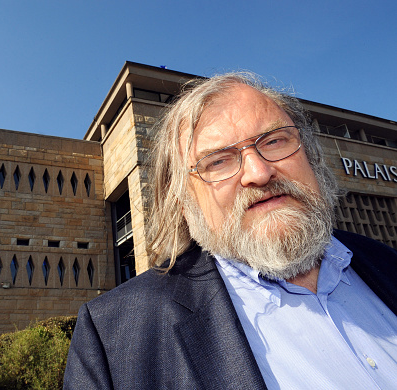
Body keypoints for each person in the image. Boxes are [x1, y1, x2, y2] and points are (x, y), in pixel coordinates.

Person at [63, 73, 397, 389]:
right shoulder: (114, 336)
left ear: (311, 157)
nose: (259, 172)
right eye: (218, 161)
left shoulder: (386, 262)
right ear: (182, 201)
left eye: (275, 140)